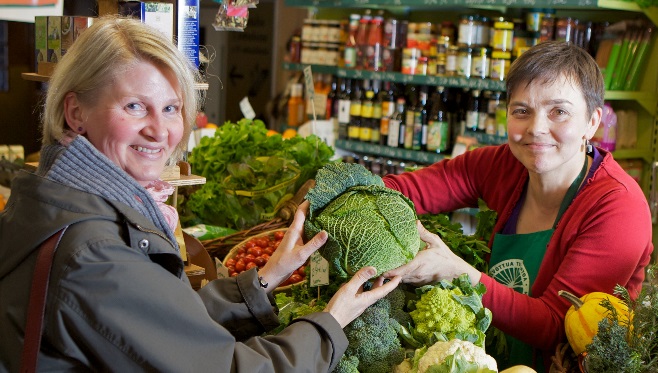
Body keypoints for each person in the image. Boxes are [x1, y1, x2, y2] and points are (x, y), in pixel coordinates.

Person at [0, 16, 400, 371]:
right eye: (135, 106)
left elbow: (155, 324)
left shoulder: (59, 195)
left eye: (172, 108)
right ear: (76, 113)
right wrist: (331, 323)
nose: (160, 131)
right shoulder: (94, 250)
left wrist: (262, 280)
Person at [383, 41, 653, 372]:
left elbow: (556, 325)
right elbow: (398, 190)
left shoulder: (617, 206)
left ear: (592, 122)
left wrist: (458, 272)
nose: (536, 129)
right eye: (521, 111)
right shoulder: (500, 164)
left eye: (559, 111)